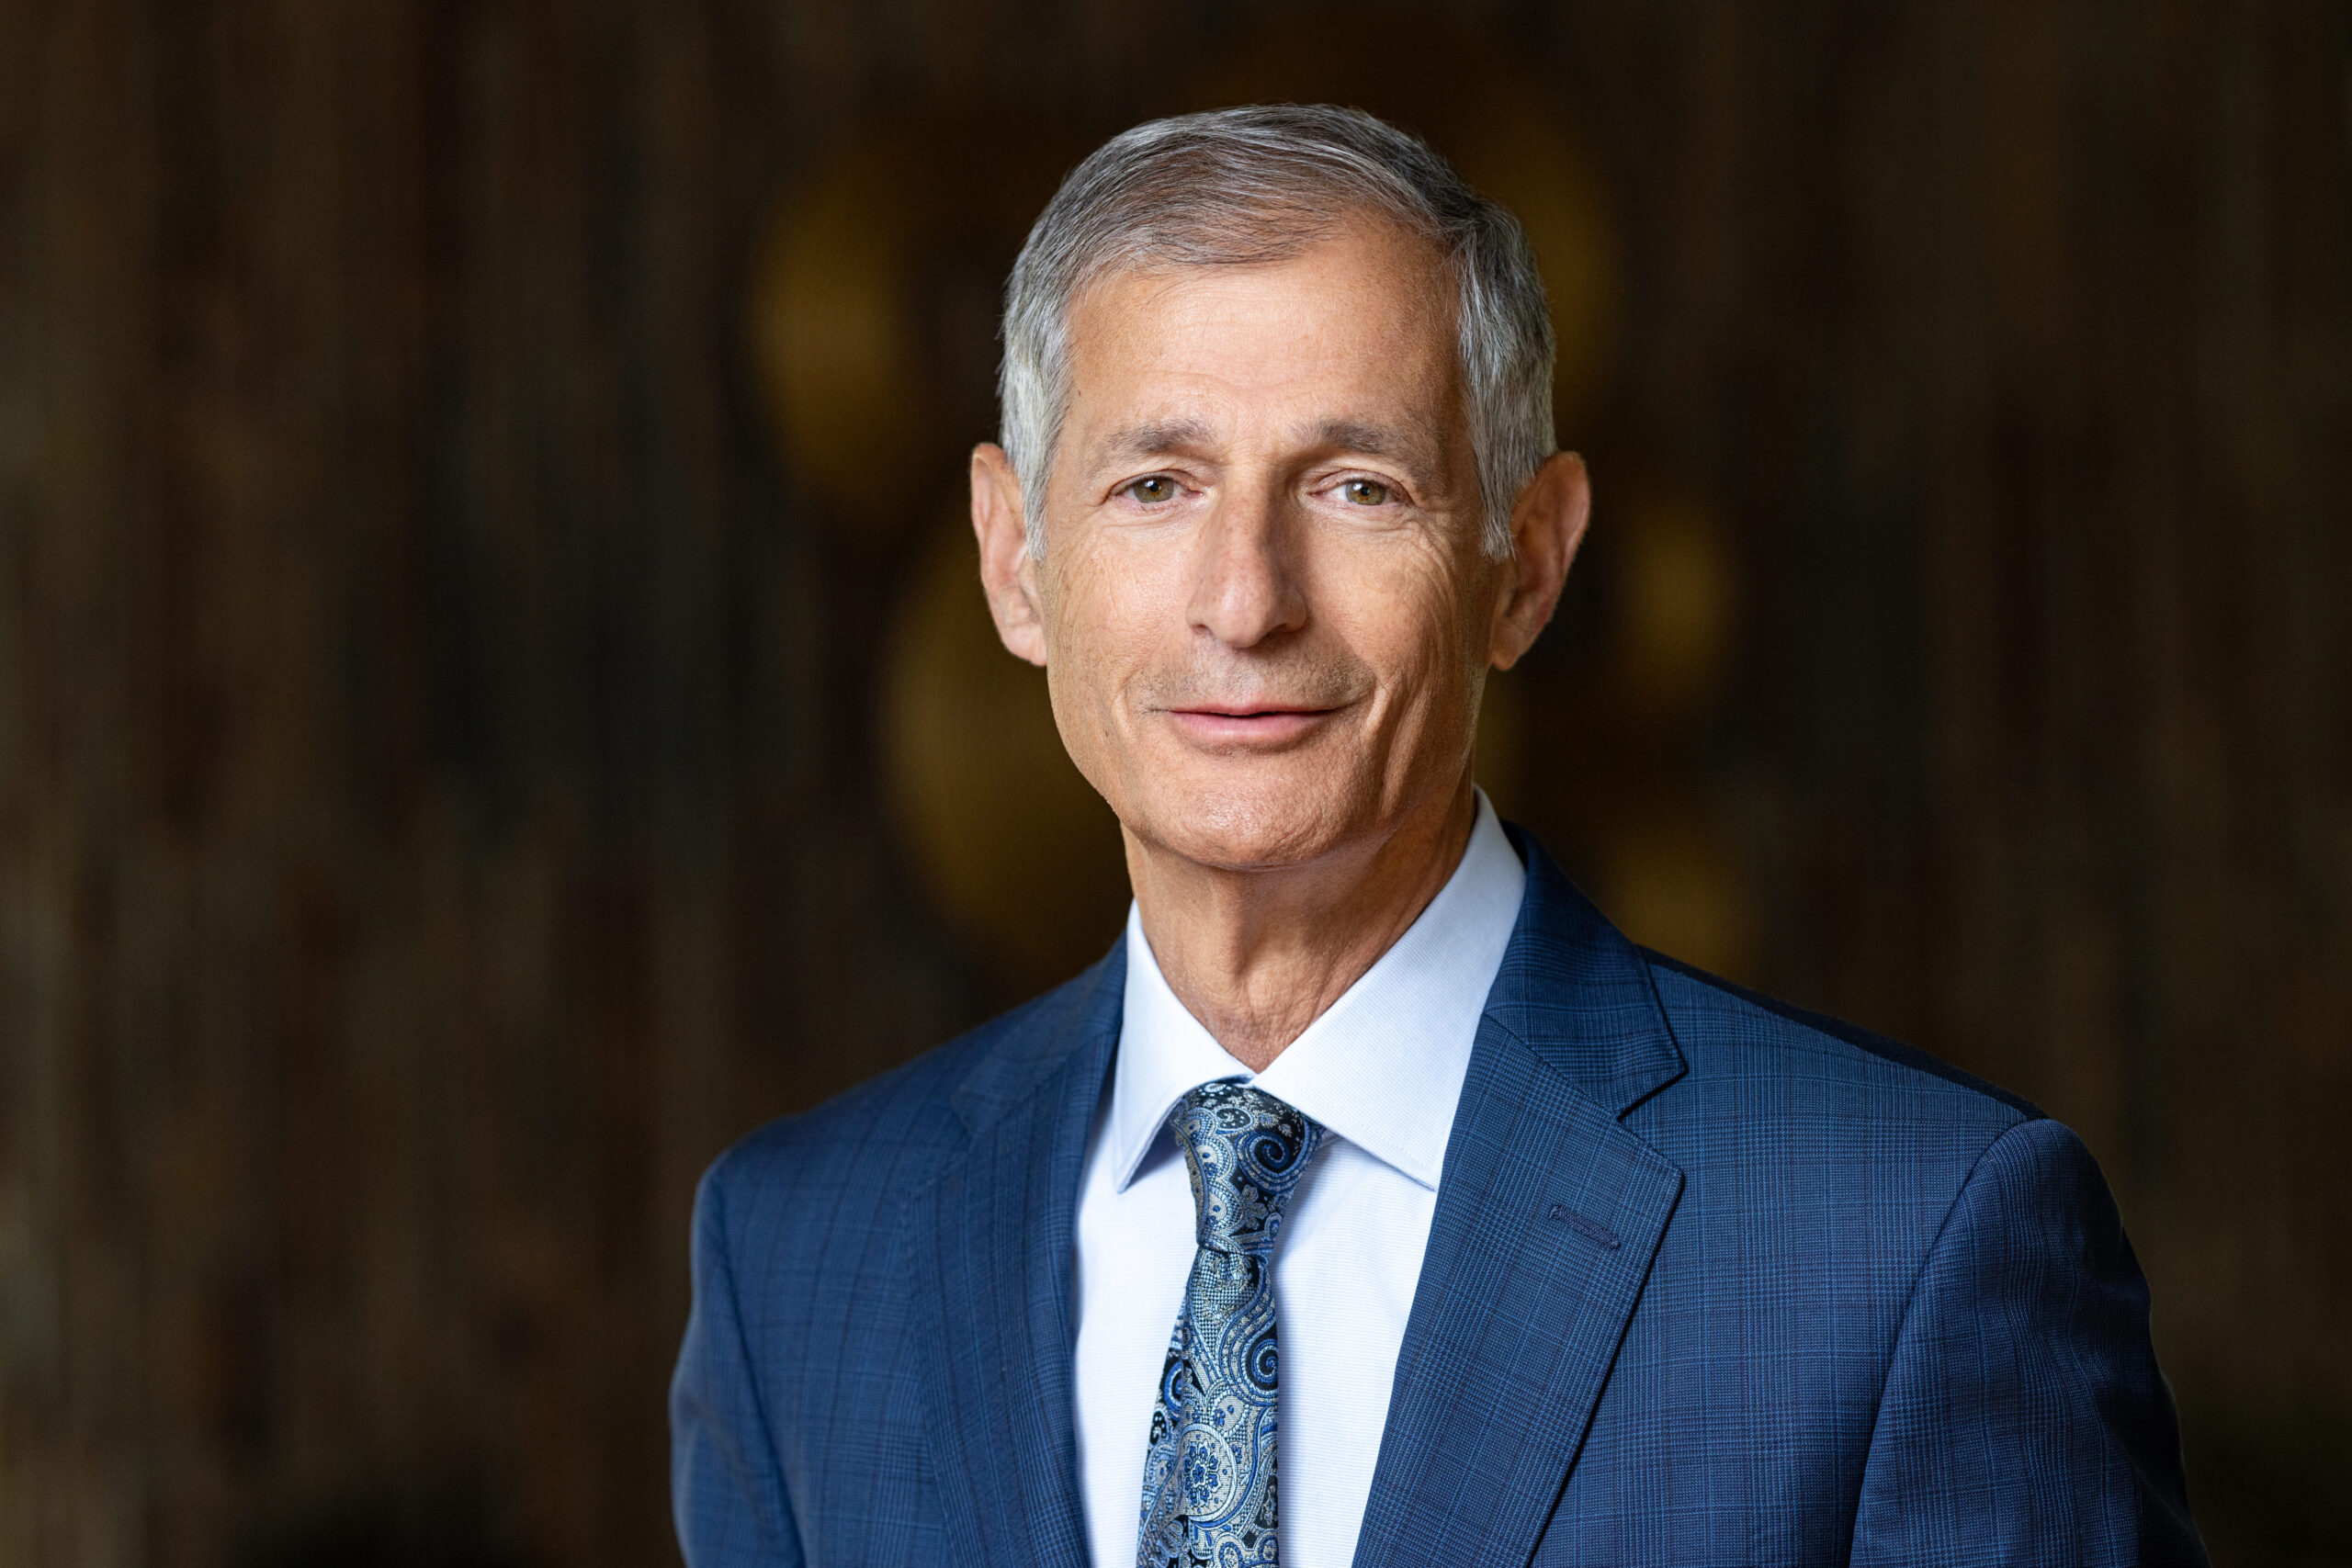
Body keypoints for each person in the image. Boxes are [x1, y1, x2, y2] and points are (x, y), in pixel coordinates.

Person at [670, 105, 2204, 1568]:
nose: (1247, 600)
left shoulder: (1910, 1244)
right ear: (1017, 561)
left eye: (1355, 486)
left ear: (1526, 565)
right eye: (1156, 484)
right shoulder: (801, 1258)